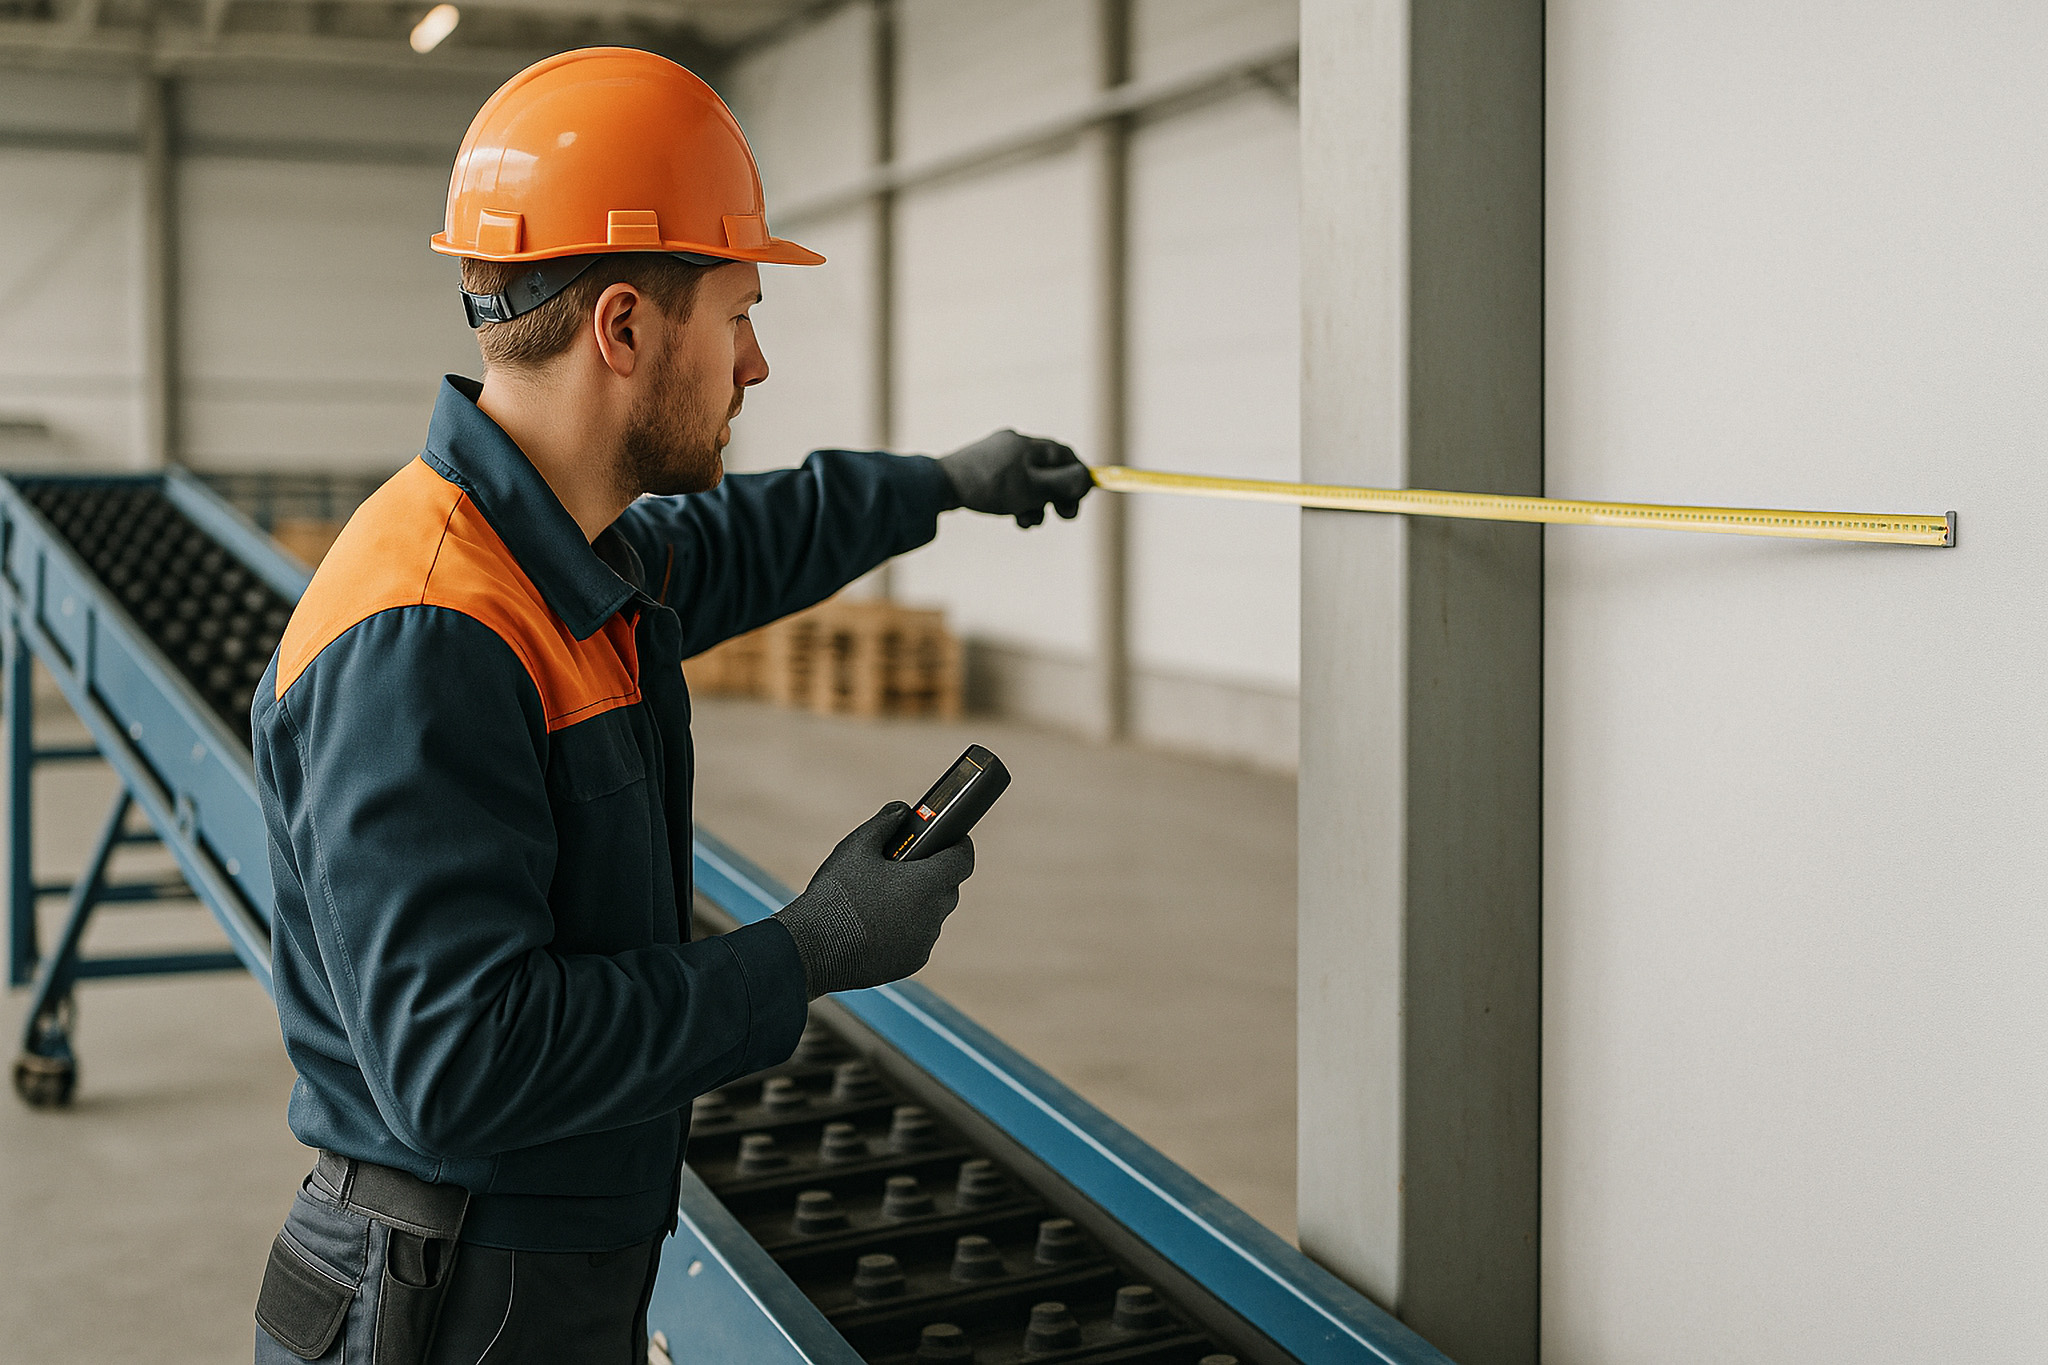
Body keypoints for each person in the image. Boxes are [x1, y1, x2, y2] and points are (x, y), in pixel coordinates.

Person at [248, 48, 1091, 1365]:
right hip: (452, 1304)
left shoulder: (566, 553)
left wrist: (944, 482)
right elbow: (459, 1062)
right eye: (740, 313)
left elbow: (750, 537)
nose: (756, 362)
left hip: (537, 1270)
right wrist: (804, 951)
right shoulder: (430, 633)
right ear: (625, 327)